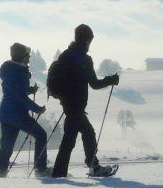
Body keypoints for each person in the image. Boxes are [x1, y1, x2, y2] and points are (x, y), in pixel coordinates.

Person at [48, 24, 119, 177]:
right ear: (87, 40)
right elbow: (94, 84)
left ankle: (59, 173)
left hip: (67, 103)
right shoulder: (84, 59)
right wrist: (110, 80)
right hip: (75, 105)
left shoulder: (66, 55)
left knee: (69, 140)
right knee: (88, 133)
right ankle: (93, 167)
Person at [0, 42, 49, 178]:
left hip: (6, 114)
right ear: (22, 57)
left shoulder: (9, 69)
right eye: (27, 55)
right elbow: (20, 96)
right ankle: (40, 169)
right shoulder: (20, 73)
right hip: (18, 115)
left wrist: (29, 90)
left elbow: (13, 90)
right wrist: (37, 109)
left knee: (6, 147)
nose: (29, 57)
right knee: (41, 135)